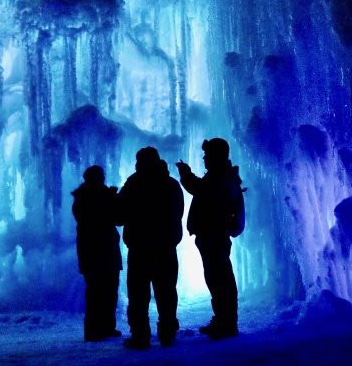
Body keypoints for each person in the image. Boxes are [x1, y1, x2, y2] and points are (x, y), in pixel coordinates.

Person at [175, 137, 246, 340]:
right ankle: (223, 319)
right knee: (217, 278)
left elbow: (201, 191)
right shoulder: (221, 176)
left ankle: (226, 323)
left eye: (207, 155)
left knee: (219, 279)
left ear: (217, 155)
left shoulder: (220, 178)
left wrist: (186, 174)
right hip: (213, 235)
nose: (204, 158)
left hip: (214, 235)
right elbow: (202, 190)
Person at [117, 147, 184, 349]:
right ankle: (167, 332)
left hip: (140, 248)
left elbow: (118, 216)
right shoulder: (171, 184)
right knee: (166, 292)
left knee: (138, 294)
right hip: (165, 247)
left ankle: (140, 335)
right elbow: (178, 213)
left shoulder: (133, 185)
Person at [71, 165, 123, 341]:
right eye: (100, 177)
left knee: (105, 290)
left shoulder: (83, 198)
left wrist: (112, 199)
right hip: (97, 250)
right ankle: (96, 330)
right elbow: (111, 218)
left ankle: (104, 327)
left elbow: (117, 218)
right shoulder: (86, 199)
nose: (102, 179)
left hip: (96, 251)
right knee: (98, 291)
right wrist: (111, 199)